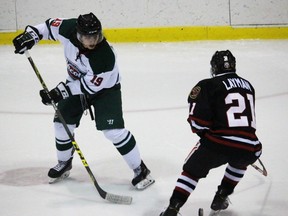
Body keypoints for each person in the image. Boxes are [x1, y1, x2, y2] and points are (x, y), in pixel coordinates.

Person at [13, 12, 154, 190]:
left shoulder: (104, 57)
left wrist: (59, 93)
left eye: (96, 35)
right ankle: (64, 162)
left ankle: (140, 169)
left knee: (113, 131)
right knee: (61, 123)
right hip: (75, 84)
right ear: (79, 35)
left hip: (105, 91)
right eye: (88, 37)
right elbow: (47, 27)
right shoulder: (68, 28)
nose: (93, 41)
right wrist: (31, 36)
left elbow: (89, 87)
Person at [160, 50, 262, 215]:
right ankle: (221, 196)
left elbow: (197, 121)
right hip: (251, 145)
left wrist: (206, 134)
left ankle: (173, 208)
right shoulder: (249, 86)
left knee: (191, 171)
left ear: (214, 67)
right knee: (240, 161)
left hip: (218, 143)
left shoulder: (208, 85)